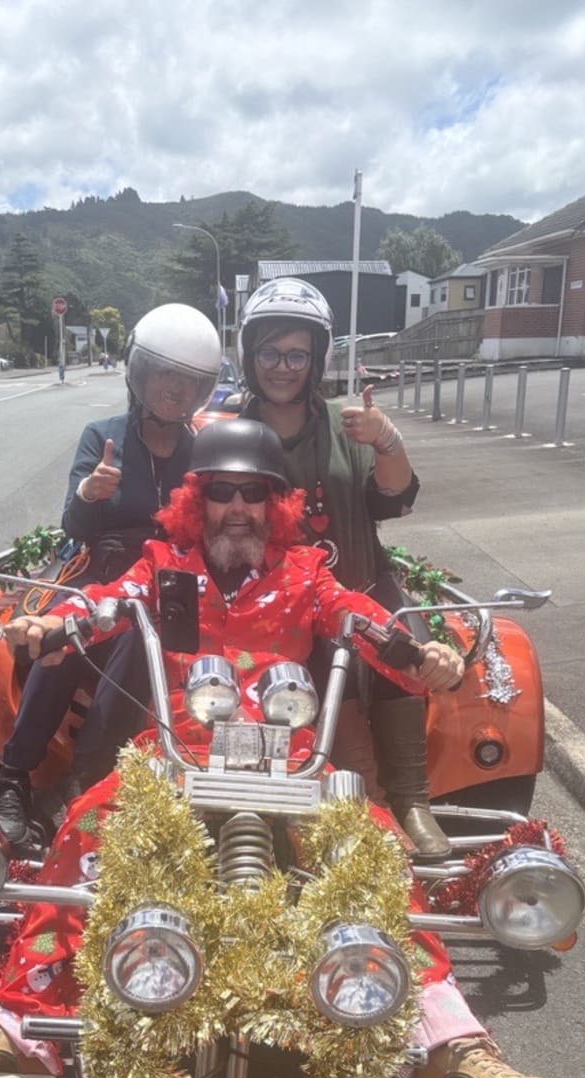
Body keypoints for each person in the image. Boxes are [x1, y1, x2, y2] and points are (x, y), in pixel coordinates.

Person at [0, 419, 561, 1078]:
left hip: (296, 764)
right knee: (87, 826)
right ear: (198, 500)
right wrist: (52, 625)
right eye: (222, 492)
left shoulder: (306, 574)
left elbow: (364, 620)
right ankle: (14, 1031)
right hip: (174, 757)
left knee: (373, 848)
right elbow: (103, 603)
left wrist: (423, 656)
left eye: (254, 493)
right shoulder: (163, 566)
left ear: (276, 505)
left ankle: (449, 1045)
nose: (238, 507)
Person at [0, 304, 222, 850]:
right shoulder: (102, 436)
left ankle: (87, 775)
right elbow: (74, 526)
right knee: (64, 637)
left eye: (189, 380)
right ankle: (13, 775)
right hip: (103, 566)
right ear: (140, 374)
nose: (176, 388)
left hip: (171, 577)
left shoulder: (202, 450)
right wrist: (90, 493)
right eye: (165, 373)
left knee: (143, 639)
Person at [236, 278, 452, 859]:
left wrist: (387, 441)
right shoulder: (235, 432)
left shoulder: (348, 424)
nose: (282, 367)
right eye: (269, 352)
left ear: (317, 358)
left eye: (296, 354)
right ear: (249, 354)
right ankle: (370, 806)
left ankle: (412, 800)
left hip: (362, 583)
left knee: (403, 646)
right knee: (319, 671)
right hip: (281, 601)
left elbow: (394, 500)